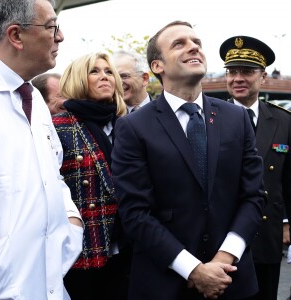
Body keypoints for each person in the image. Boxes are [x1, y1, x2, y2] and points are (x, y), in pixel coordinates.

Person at [111, 20, 266, 300]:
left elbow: (254, 196)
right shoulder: (134, 127)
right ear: (157, 66)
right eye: (179, 43)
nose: (193, 46)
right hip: (165, 284)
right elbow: (135, 212)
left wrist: (223, 259)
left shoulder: (236, 119)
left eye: (196, 42)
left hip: (231, 281)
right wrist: (193, 270)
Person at [0, 0, 83, 299]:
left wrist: (72, 224)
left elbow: (51, 174)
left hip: (50, 283)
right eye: (51, 26)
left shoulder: (33, 99)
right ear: (16, 36)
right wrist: (0, 266)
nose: (60, 36)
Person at [52, 52, 129, 300]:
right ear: (77, 79)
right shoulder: (58, 126)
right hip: (83, 252)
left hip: (129, 246)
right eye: (94, 71)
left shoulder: (126, 124)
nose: (104, 77)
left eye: (109, 72)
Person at [220, 35, 291, 300]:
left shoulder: (283, 122)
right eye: (232, 71)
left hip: (268, 232)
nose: (238, 78)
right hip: (223, 236)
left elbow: (288, 179)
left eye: (247, 71)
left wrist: (286, 222)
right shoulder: (209, 118)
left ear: (262, 77)